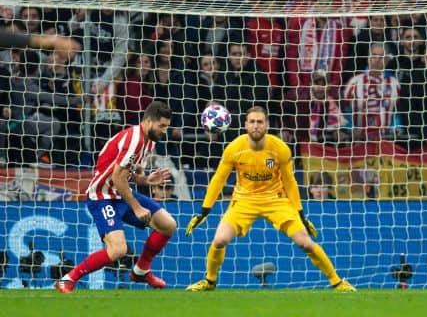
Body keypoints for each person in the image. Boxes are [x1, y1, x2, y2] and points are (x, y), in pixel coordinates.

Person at [184, 106, 355, 292]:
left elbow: (290, 182)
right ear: (245, 125)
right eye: (252, 122)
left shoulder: (280, 148)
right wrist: (204, 211)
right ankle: (210, 281)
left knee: (305, 242)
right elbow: (218, 179)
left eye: (259, 122)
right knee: (219, 240)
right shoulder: (234, 148)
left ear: (266, 125)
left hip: (276, 199)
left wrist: (301, 215)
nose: (255, 126)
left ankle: (337, 282)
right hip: (244, 200)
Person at [55, 101, 177, 293]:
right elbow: (118, 178)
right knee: (118, 250)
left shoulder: (150, 141)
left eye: (166, 127)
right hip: (102, 196)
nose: (164, 131)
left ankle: (141, 271)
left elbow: (131, 174)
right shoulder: (133, 140)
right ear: (148, 121)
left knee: (168, 225)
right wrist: (137, 207)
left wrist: (145, 180)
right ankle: (68, 279)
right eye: (161, 126)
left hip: (120, 194)